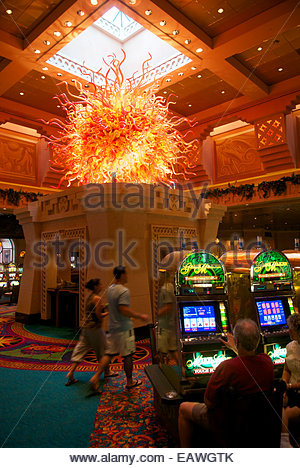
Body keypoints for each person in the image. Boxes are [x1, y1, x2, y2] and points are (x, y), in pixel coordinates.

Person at [178, 318, 274, 447]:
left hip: (226, 422)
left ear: (237, 341)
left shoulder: (226, 367)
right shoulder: (267, 362)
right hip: (258, 420)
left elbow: (209, 402)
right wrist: (236, 348)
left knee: (183, 407)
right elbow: (247, 362)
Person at [89, 266, 148, 393]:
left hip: (112, 327)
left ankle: (95, 377)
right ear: (121, 275)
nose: (127, 276)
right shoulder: (124, 291)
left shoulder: (110, 289)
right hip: (124, 328)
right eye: (126, 274)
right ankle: (130, 381)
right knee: (128, 355)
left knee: (109, 353)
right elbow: (123, 309)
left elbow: (111, 306)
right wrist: (139, 316)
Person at [65, 278, 116, 387]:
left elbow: (93, 311)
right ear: (96, 286)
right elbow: (98, 316)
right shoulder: (97, 298)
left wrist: (105, 306)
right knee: (105, 350)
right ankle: (104, 373)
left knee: (81, 349)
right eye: (100, 284)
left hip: (86, 328)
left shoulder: (90, 297)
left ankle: (71, 373)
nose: (102, 286)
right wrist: (108, 312)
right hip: (95, 329)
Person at [282, 313, 300, 446]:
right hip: (291, 390)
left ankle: (286, 445)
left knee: (285, 414)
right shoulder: (290, 346)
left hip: (298, 392)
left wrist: (290, 387)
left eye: (292, 329)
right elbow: (286, 369)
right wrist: (283, 384)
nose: (288, 331)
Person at [157, 270, 178, 364]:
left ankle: (163, 370)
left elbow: (168, 306)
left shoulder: (165, 288)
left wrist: (158, 313)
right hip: (169, 322)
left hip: (165, 324)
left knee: (166, 349)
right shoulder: (170, 286)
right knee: (171, 349)